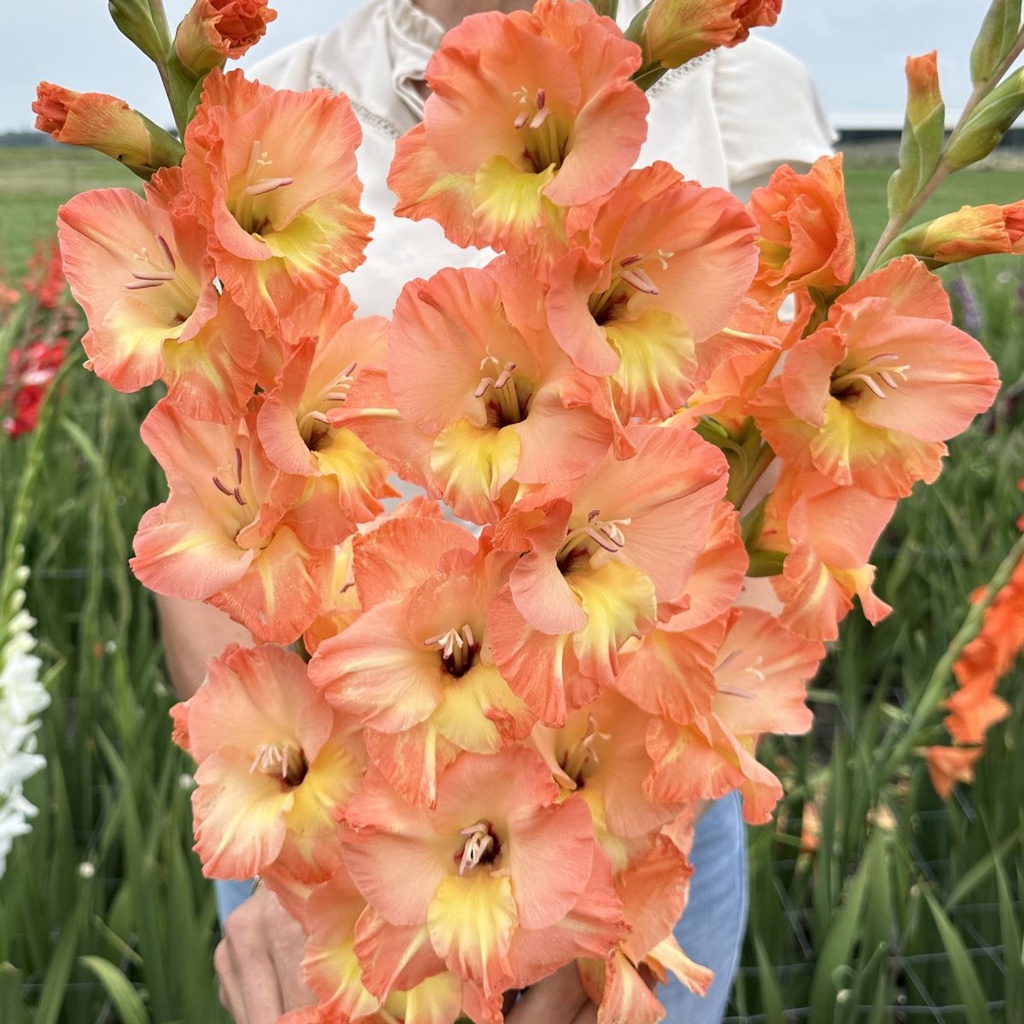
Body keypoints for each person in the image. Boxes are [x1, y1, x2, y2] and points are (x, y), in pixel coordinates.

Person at [157, 1, 835, 1020]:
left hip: (643, 810)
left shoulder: (746, 90)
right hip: (327, 818)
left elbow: (778, 469)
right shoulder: (268, 111)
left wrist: (591, 883)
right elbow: (209, 489)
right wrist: (296, 859)